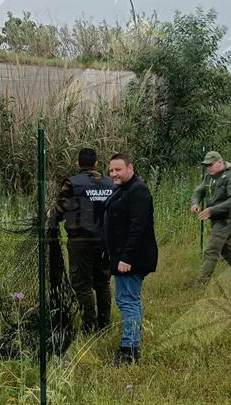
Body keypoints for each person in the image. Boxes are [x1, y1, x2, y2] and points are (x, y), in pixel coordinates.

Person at [48, 148, 115, 333]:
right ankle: (104, 325)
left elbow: (59, 212)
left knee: (83, 284)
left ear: (79, 164)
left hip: (81, 241)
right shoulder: (110, 184)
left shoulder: (72, 184)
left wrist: (49, 214)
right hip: (104, 241)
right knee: (102, 282)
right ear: (95, 163)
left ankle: (88, 327)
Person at [104, 153, 158, 366]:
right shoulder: (123, 189)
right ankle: (131, 345)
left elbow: (138, 227)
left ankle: (129, 351)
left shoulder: (138, 191)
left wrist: (127, 257)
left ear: (130, 168)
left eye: (118, 169)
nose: (114, 173)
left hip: (132, 259)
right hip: (121, 255)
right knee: (128, 300)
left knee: (128, 301)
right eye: (111, 170)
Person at [190, 151, 231, 286]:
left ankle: (199, 284)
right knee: (228, 251)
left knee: (211, 251)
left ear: (220, 163)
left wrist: (212, 210)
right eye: (206, 165)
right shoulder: (209, 177)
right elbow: (199, 191)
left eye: (210, 165)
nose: (208, 168)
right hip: (216, 218)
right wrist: (195, 203)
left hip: (227, 218)